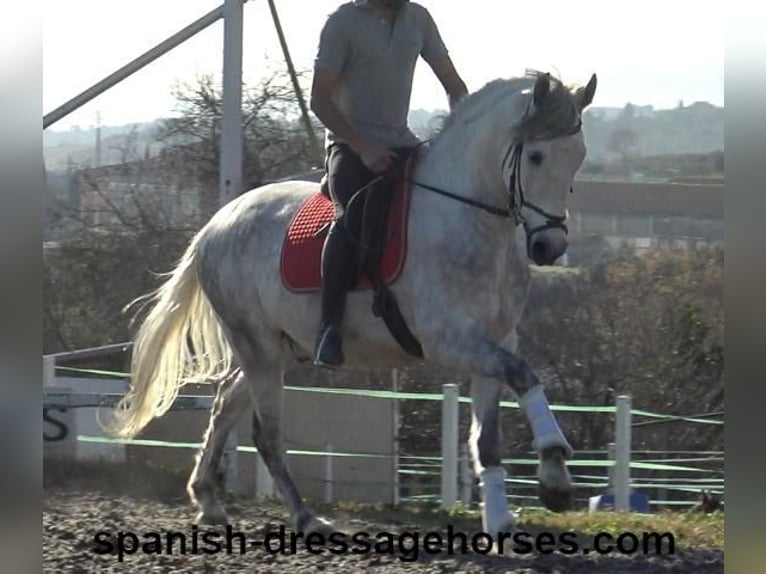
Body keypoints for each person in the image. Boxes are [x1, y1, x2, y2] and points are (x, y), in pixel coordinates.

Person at [310, 0, 468, 368]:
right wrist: (363, 148)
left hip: (402, 141)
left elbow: (453, 83)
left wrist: (465, 126)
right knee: (350, 216)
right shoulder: (342, 23)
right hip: (350, 146)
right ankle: (328, 328)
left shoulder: (418, 18)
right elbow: (320, 100)